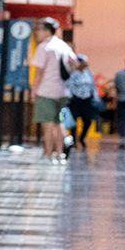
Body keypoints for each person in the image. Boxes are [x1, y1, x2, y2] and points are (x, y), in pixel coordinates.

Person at [29, 18, 77, 162]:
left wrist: (34, 90)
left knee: (47, 124)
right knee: (59, 122)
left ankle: (49, 154)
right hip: (62, 91)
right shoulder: (63, 46)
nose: (37, 33)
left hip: (46, 91)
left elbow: (39, 72)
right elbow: (74, 62)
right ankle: (60, 153)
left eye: (39, 30)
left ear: (47, 30)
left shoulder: (44, 47)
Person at [66, 54, 100, 150]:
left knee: (88, 120)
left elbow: (93, 86)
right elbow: (69, 86)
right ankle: (73, 140)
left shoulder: (89, 73)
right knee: (73, 121)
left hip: (87, 100)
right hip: (75, 100)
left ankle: (82, 137)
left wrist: (96, 97)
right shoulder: (73, 73)